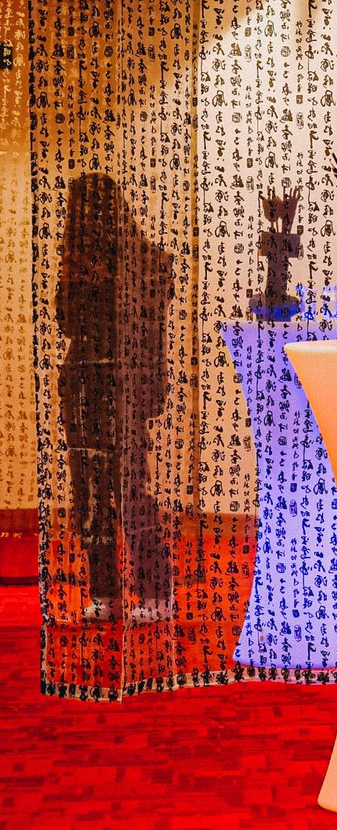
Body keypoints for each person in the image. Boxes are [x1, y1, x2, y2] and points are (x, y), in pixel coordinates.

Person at [58, 173, 175, 624]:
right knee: (90, 495)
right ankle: (105, 592)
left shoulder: (145, 261)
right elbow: (67, 323)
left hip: (122, 384)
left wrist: (106, 279)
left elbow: (150, 324)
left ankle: (156, 591)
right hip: (83, 383)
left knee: (130, 491)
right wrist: (73, 278)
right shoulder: (76, 259)